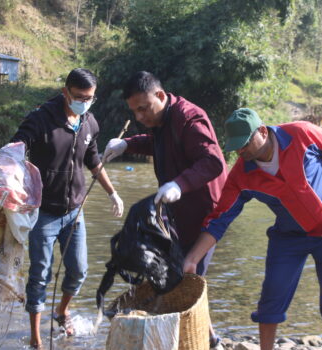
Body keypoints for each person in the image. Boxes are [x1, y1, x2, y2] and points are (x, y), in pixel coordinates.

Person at [183, 108, 322, 350]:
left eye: (244, 144)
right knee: (272, 297)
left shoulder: (301, 134)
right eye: (236, 147)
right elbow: (220, 218)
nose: (241, 152)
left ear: (262, 131)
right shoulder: (242, 174)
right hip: (289, 238)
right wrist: (192, 258)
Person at [102, 71, 228, 348]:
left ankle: (198, 341)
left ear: (160, 95)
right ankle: (208, 338)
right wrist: (127, 144)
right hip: (177, 213)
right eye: (134, 111)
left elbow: (213, 162)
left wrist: (180, 185)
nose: (139, 117)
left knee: (188, 277)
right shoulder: (161, 120)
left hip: (206, 213)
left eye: (143, 108)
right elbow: (153, 142)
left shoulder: (189, 117)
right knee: (172, 275)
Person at [11, 68, 124, 348]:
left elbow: (93, 160)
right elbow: (17, 145)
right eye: (79, 97)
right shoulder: (41, 119)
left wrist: (113, 193)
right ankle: (37, 338)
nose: (84, 102)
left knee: (78, 270)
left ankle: (62, 310)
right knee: (40, 274)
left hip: (75, 211)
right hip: (43, 213)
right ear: (66, 92)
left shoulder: (89, 122)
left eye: (90, 98)